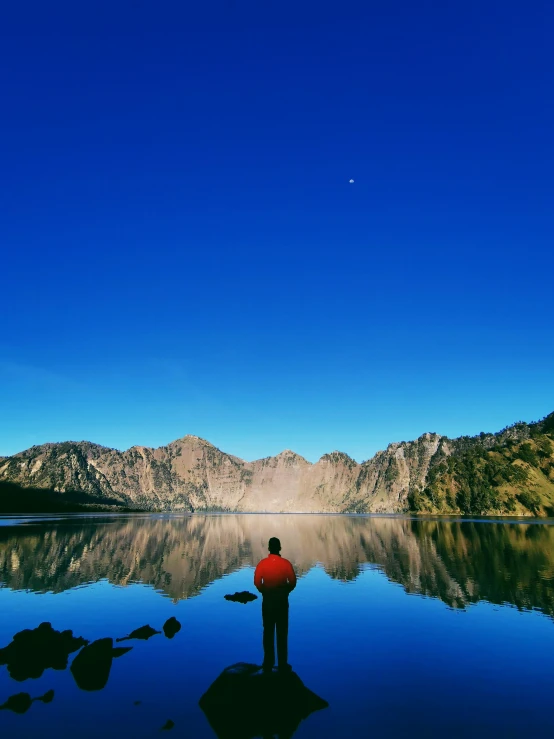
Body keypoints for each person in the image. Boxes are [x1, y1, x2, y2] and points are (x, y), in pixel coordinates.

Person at [254, 537, 297, 672]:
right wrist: (285, 592)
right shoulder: (286, 564)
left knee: (268, 631)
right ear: (279, 548)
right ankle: (282, 663)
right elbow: (293, 582)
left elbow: (257, 582)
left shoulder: (262, 564)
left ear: (268, 548)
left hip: (267, 602)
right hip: (282, 602)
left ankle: (268, 662)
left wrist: (264, 592)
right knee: (282, 632)